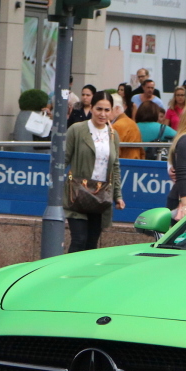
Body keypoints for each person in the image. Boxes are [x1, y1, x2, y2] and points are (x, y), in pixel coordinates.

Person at [64, 93, 125, 252]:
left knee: (91, 244)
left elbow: (115, 166)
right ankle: (68, 274)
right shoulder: (76, 130)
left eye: (107, 110)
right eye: (99, 109)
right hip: (78, 193)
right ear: (91, 108)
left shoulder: (113, 135)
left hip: (101, 196)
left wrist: (117, 195)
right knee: (79, 240)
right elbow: (62, 160)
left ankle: (84, 276)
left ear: (112, 111)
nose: (103, 114)